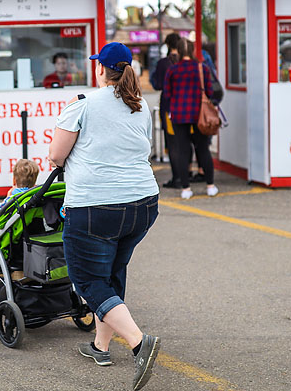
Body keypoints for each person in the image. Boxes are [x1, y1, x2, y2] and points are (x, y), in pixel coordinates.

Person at [48, 41, 161, 391]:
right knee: (111, 273)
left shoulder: (82, 103)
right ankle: (100, 346)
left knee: (88, 280)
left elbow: (56, 156)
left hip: (95, 207)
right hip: (143, 204)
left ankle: (140, 343)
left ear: (100, 69)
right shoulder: (139, 105)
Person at [162, 38, 218, 199]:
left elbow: (167, 93)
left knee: (183, 150)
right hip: (199, 114)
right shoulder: (202, 68)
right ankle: (210, 186)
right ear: (193, 50)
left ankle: (186, 188)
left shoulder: (173, 70)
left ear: (178, 51)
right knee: (203, 148)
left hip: (179, 114)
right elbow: (210, 91)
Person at [149, 32, 182, 188]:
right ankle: (186, 175)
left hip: (169, 106)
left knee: (172, 143)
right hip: (186, 105)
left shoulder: (164, 63)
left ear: (167, 45)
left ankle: (177, 178)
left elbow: (157, 84)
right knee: (185, 142)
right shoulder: (186, 61)